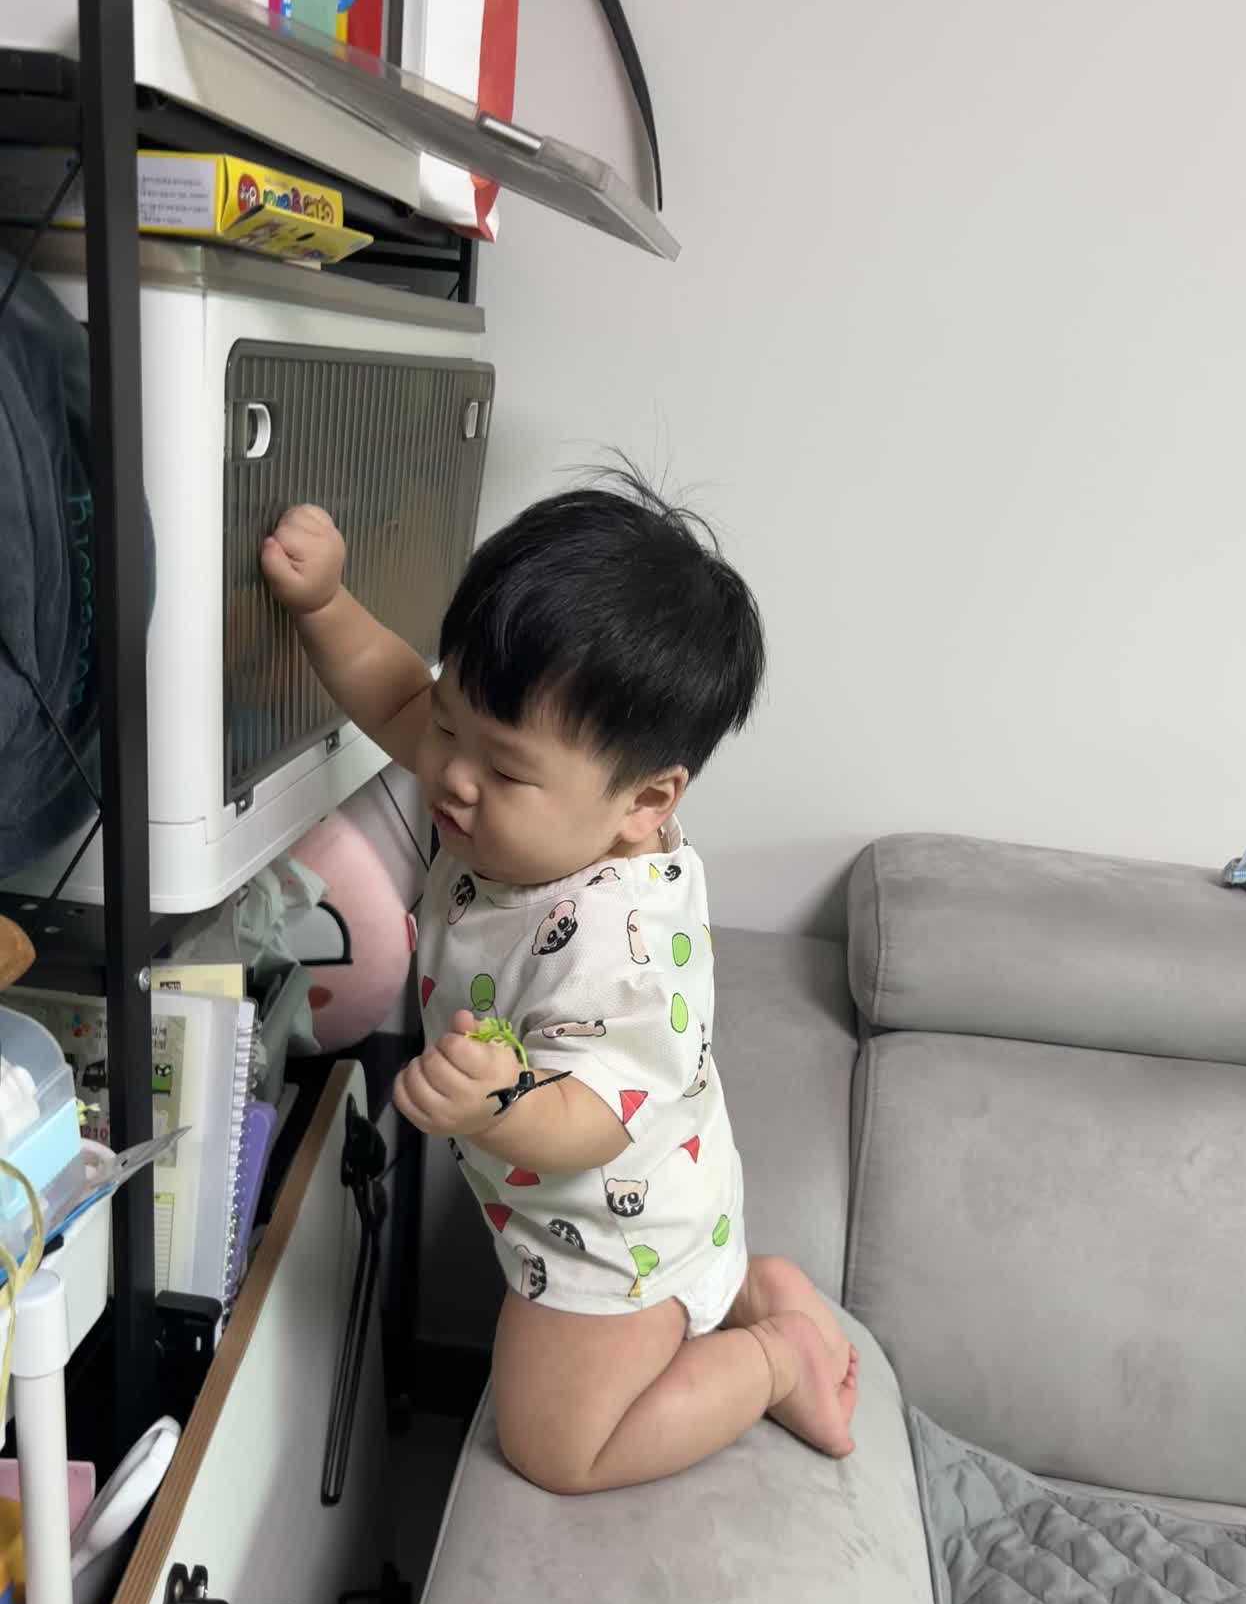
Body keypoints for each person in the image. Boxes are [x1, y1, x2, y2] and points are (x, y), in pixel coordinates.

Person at [260, 477, 858, 1493]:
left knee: (556, 1449)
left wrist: (499, 1103)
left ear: (645, 803)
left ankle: (773, 1356)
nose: (449, 775)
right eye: (452, 725)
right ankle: (747, 1289)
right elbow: (399, 696)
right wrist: (324, 604)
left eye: (504, 769)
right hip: (629, 1179)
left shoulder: (619, 953)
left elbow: (594, 1120)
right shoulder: (512, 793)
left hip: (610, 1228)